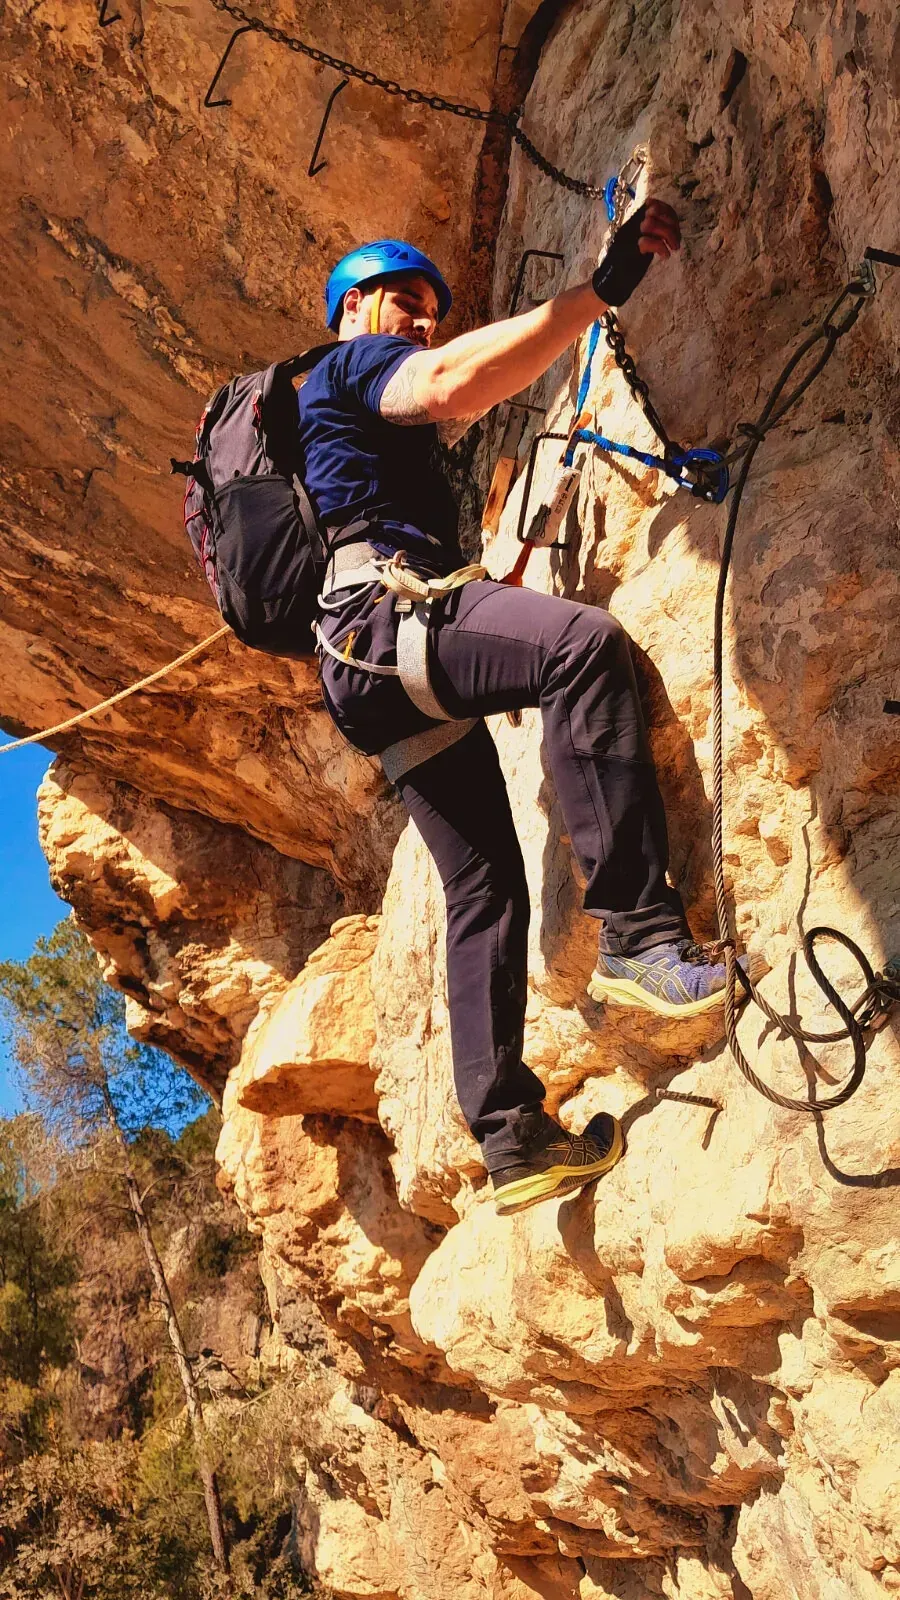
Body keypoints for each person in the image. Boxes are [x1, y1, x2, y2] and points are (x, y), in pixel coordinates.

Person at [298, 205, 749, 1217]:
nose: (420, 323)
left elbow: (453, 387)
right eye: (405, 304)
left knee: (483, 884)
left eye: (429, 309)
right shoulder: (351, 368)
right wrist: (599, 290)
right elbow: (456, 380)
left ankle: (511, 1139)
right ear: (353, 308)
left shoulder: (336, 413)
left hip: (361, 662)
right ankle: (640, 935)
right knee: (579, 646)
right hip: (387, 619)